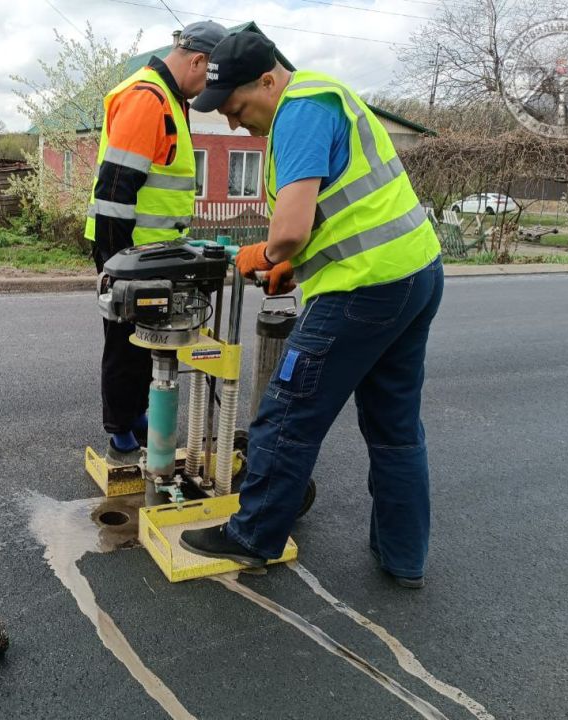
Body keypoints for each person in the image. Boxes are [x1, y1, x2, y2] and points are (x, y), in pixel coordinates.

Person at [179, 31, 444, 588]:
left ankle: (252, 536)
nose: (232, 123)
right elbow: (342, 211)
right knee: (396, 430)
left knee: (287, 410)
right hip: (416, 273)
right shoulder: (327, 96)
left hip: (364, 289)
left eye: (236, 108)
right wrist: (291, 266)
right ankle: (404, 559)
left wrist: (264, 254)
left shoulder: (297, 112)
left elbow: (292, 229)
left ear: (269, 81)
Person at [86, 21, 228, 465]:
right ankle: (120, 431)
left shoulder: (169, 99)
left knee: (148, 340)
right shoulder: (148, 98)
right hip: (129, 250)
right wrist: (116, 265)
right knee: (125, 340)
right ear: (197, 61)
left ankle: (136, 415)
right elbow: (114, 190)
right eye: (209, 78)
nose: (208, 90)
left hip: (154, 250)